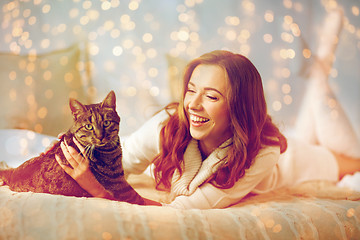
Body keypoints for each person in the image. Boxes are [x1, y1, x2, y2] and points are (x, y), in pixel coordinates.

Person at [56, 50, 360, 209]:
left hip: (296, 162)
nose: (193, 105)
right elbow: (120, 164)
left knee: (350, 161)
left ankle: (320, 72)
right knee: (313, 117)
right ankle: (318, 79)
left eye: (212, 96)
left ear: (238, 107)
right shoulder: (169, 123)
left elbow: (182, 212)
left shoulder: (264, 152)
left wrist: (98, 191)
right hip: (283, 140)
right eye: (191, 90)